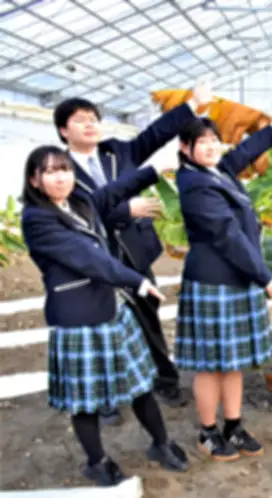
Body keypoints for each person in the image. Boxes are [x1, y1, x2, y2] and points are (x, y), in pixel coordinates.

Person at [20, 145, 189, 486]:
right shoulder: (37, 219)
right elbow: (87, 257)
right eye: (51, 171)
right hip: (78, 318)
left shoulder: (81, 202)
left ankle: (161, 443)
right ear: (35, 180)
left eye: (65, 169)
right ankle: (97, 461)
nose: (61, 177)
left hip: (111, 308)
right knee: (86, 400)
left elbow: (114, 191)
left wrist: (155, 169)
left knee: (141, 383)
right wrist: (135, 279)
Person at [53, 78, 214, 422]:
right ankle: (107, 395)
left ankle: (165, 379)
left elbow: (155, 134)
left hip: (135, 252)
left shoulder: (118, 152)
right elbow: (77, 212)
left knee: (148, 313)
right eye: (81, 120)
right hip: (94, 258)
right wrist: (126, 210)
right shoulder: (58, 170)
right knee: (102, 324)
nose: (91, 124)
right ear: (64, 130)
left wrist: (193, 104)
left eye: (94, 118)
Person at [173, 117, 272, 462]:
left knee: (232, 362)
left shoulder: (217, 171)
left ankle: (233, 425)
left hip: (235, 279)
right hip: (213, 283)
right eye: (201, 142)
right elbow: (228, 235)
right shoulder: (195, 185)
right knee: (211, 364)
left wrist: (271, 130)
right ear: (184, 149)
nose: (211, 147)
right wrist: (265, 277)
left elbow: (241, 154)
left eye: (214, 140)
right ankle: (207, 431)